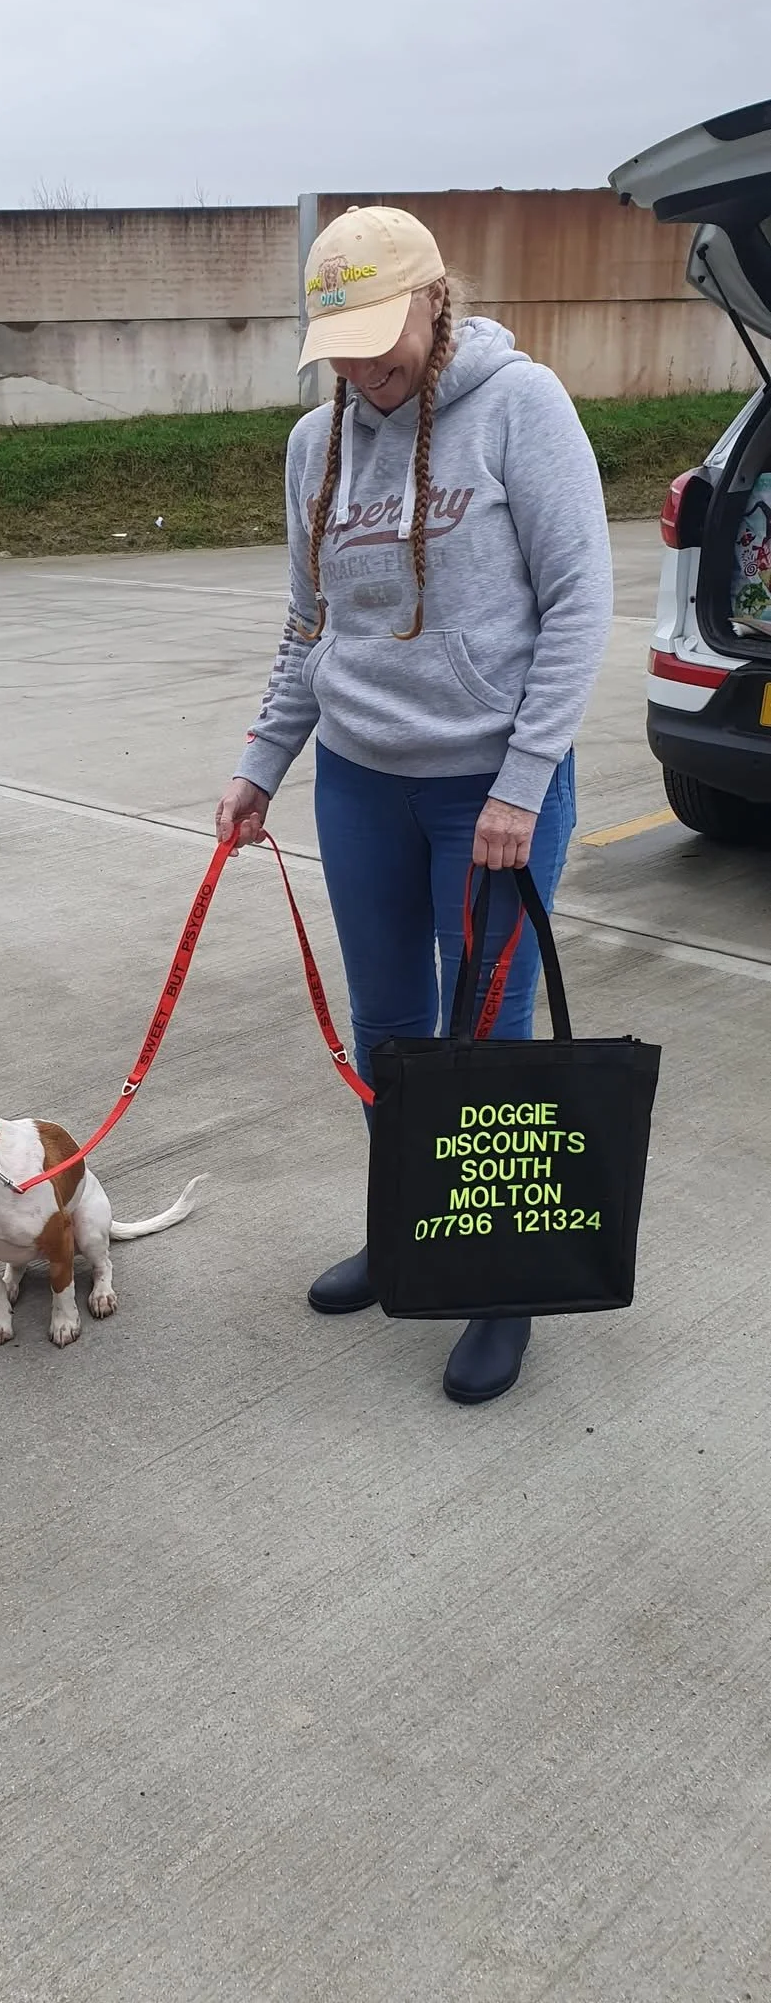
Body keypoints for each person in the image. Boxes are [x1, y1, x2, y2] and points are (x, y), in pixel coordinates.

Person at [215, 204, 613, 1405]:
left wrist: (522, 780)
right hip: (360, 782)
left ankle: (504, 1279)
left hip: (488, 793)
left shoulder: (520, 405)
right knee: (393, 1032)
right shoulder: (313, 445)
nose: (366, 364)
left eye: (384, 333)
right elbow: (308, 623)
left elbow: (580, 604)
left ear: (440, 298)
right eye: (341, 344)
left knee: (488, 1045)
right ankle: (408, 1231)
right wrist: (260, 762)